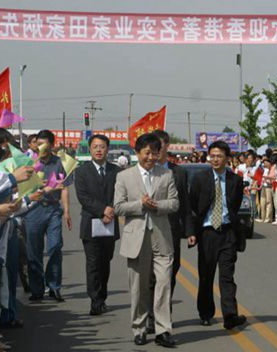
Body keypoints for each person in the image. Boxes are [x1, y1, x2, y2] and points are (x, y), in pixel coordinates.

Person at [114, 133, 179, 348]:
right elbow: (118, 207)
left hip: (161, 237)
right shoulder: (125, 177)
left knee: (163, 284)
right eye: (147, 153)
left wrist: (157, 206)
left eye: (155, 152)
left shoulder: (166, 174)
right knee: (139, 287)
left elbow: (174, 203)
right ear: (138, 153)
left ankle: (163, 330)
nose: (151, 157)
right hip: (137, 238)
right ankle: (139, 328)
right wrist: (140, 204)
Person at [189, 140, 246, 329]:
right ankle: (205, 312)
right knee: (206, 275)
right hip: (206, 234)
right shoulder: (200, 178)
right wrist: (192, 232)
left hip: (227, 232)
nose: (215, 159)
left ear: (227, 158)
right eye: (212, 156)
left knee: (227, 276)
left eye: (219, 156)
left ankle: (230, 315)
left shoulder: (235, 180)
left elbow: (235, 206)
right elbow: (192, 207)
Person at [147, 130, 195, 333]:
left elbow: (185, 203)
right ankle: (151, 317)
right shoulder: (144, 171)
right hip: (149, 230)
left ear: (167, 147)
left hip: (172, 231)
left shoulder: (179, 172)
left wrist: (190, 231)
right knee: (150, 276)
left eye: (160, 146)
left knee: (169, 275)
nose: (156, 151)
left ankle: (164, 313)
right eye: (153, 147)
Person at [74, 134, 121, 315]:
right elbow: (83, 197)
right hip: (91, 223)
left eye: (102, 147)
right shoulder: (82, 171)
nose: (99, 150)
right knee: (93, 263)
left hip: (110, 224)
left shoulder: (116, 171)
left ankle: (102, 296)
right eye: (95, 147)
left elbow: (120, 194)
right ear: (90, 149)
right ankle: (95, 300)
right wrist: (103, 211)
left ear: (107, 149)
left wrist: (111, 210)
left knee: (105, 262)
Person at [24, 130, 73, 302]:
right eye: (38, 144)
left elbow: (64, 187)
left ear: (51, 145)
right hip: (33, 210)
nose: (41, 147)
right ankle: (37, 289)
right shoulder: (29, 163)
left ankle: (54, 287)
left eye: (45, 144)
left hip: (53, 209)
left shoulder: (59, 163)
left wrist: (66, 210)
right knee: (34, 251)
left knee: (54, 247)